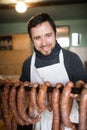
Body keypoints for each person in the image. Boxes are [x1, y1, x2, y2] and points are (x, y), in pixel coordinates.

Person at [18, 13, 87, 130]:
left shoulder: (71, 59)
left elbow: (84, 93)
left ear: (55, 34)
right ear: (31, 39)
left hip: (69, 123)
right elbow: (23, 98)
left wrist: (80, 89)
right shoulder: (28, 64)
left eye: (48, 35)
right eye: (37, 38)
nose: (44, 43)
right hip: (40, 123)